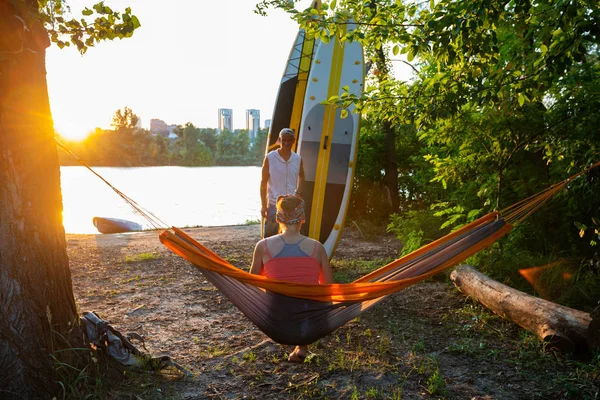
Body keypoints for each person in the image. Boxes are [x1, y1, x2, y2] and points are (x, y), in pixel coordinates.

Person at [250, 194, 333, 362]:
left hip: (276, 320)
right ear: (302, 219)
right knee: (310, 297)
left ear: (278, 219)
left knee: (275, 295)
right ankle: (302, 344)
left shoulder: (263, 246)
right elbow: (328, 288)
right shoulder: (317, 247)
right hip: (311, 322)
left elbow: (251, 285)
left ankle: (300, 344)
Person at [260, 128, 305, 238]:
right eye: (283, 140)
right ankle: (268, 255)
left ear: (293, 141)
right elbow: (263, 182)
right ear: (279, 140)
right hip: (273, 204)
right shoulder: (270, 158)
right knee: (270, 237)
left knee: (291, 238)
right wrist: (263, 205)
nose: (286, 143)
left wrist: (298, 192)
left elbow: (302, 176)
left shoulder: (297, 159)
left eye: (289, 140)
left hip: (291, 205)